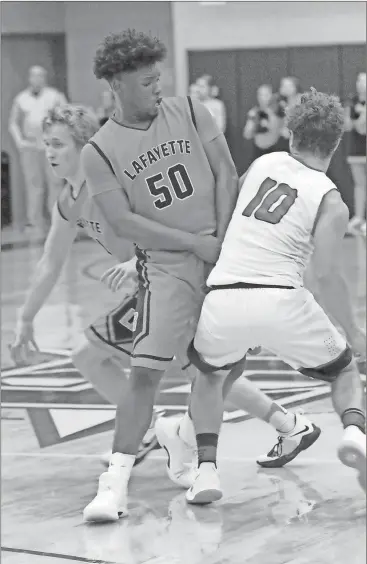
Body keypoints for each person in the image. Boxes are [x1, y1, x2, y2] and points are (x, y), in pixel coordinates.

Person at [80, 29, 318, 523]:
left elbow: (226, 173)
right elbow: (122, 222)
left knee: (222, 370)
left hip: (223, 257)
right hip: (166, 269)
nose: (158, 86)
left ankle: (184, 438)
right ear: (117, 83)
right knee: (144, 373)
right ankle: (115, 485)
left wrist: (224, 246)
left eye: (158, 78)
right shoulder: (99, 151)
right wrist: (194, 245)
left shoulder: (189, 110)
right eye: (147, 81)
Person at [179, 89, 366, 504]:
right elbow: (327, 275)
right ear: (336, 141)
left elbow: (222, 220)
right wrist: (352, 330)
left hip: (225, 294)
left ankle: (206, 470)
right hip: (281, 298)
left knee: (210, 376)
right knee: (345, 371)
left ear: (290, 131)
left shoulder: (262, 163)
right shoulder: (330, 198)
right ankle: (354, 432)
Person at [9, 66, 67, 232]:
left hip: (51, 145)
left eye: (41, 76)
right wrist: (20, 142)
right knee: (33, 184)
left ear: (45, 78)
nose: (37, 79)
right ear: (29, 78)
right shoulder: (21, 98)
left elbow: (67, 117)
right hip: (30, 145)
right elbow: (12, 123)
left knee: (55, 182)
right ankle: (34, 221)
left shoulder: (54, 96)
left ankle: (57, 218)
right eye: (34, 76)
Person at [344, 72, 366, 236]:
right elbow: (349, 126)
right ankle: (359, 217)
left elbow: (362, 128)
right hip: (357, 149)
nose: (361, 84)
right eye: (359, 80)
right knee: (359, 183)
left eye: (364, 81)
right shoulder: (352, 102)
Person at [243, 84, 280, 160]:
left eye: (266, 95)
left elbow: (278, 131)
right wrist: (252, 123)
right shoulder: (254, 112)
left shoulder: (277, 113)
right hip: (258, 152)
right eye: (260, 95)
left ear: (271, 96)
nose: (263, 98)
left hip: (275, 151)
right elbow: (247, 135)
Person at [273, 76, 300, 152]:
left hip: (297, 141)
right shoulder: (281, 102)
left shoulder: (300, 100)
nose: (283, 88)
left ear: (294, 87)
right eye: (282, 85)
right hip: (284, 140)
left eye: (287, 86)